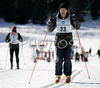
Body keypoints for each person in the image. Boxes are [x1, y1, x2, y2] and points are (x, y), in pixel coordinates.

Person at [47, 3, 80, 83]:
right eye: (62, 10)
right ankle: (58, 76)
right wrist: (50, 23)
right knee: (59, 60)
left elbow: (77, 27)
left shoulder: (70, 18)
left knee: (67, 60)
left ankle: (68, 76)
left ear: (67, 10)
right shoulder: (55, 19)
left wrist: (75, 20)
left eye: (64, 10)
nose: (63, 11)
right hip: (58, 41)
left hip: (68, 42)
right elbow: (50, 30)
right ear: (59, 10)